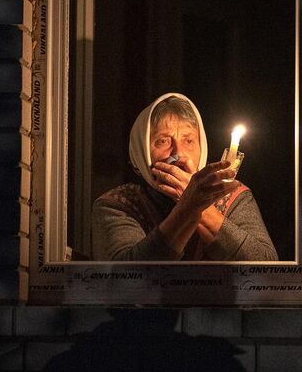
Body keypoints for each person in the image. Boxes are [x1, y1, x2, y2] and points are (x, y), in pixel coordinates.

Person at [90, 93, 278, 261]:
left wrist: (199, 204)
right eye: (163, 141)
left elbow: (266, 268)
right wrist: (188, 206)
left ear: (202, 148)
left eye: (188, 140)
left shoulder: (231, 195)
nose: (178, 153)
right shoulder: (117, 205)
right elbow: (127, 280)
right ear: (141, 154)